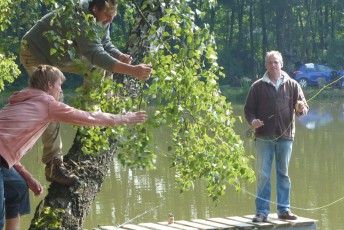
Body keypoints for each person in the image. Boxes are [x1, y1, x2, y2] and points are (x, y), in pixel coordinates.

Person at [20, 0, 152, 186]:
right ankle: (53, 163)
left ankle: (93, 116)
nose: (109, 21)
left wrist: (117, 55)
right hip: (36, 52)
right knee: (51, 101)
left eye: (113, 17)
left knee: (97, 68)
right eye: (107, 16)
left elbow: (104, 43)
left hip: (60, 54)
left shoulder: (101, 17)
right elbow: (95, 54)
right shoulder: (80, 17)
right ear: (94, 9)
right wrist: (133, 71)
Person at [0, 65, 148, 229]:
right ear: (50, 85)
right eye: (59, 85)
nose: (60, 91)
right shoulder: (47, 103)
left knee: (18, 187)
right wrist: (124, 118)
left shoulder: (19, 101)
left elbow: (6, 150)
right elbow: (88, 117)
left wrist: (27, 177)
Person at [244, 51, 309, 222]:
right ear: (265, 65)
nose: (273, 65)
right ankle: (262, 212)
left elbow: (303, 110)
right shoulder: (257, 86)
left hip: (285, 137)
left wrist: (301, 107)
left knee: (283, 174)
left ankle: (284, 210)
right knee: (263, 174)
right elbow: (248, 110)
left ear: (282, 64)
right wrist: (253, 121)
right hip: (263, 136)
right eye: (270, 62)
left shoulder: (293, 85)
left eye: (276, 62)